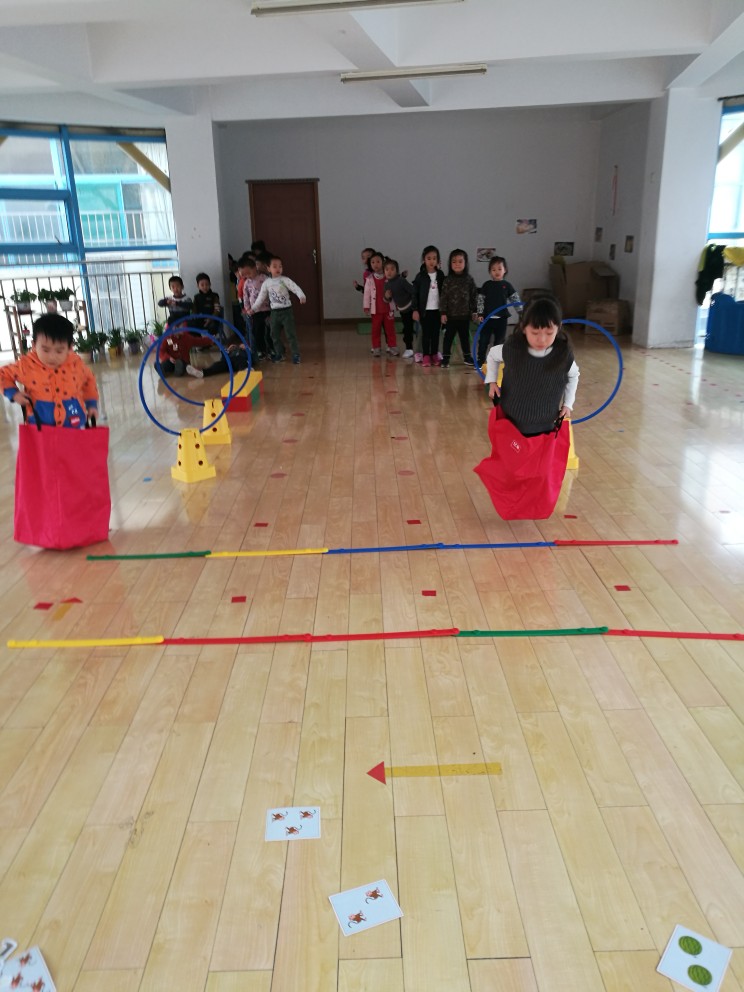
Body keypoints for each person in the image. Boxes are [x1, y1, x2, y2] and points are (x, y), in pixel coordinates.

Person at [473, 295, 579, 520]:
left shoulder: (563, 354)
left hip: (545, 424)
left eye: (549, 333)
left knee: (540, 471)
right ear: (523, 328)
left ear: (558, 329)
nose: (542, 339)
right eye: (535, 332)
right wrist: (491, 381)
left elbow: (574, 375)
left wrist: (568, 404)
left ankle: (531, 506)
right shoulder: (512, 348)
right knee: (512, 468)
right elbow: (492, 355)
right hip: (512, 422)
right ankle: (512, 500)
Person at [0, 312, 98, 427]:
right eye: (45, 350)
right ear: (34, 345)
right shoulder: (26, 365)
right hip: (39, 425)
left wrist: (92, 404)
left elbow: (89, 380)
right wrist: (14, 394)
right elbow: (2, 374)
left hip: (73, 422)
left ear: (70, 348)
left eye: (59, 351)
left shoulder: (76, 364)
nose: (52, 357)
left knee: (73, 440)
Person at [249, 256, 306, 364]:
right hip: (274, 312)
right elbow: (261, 297)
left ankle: (296, 354)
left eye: (280, 266)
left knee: (290, 334)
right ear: (268, 268)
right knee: (273, 334)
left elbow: (295, 287)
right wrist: (254, 308)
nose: (278, 268)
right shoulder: (267, 283)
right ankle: (279, 354)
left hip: (286, 311)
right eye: (274, 266)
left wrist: (301, 296)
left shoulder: (285, 280)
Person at [476, 256, 521, 366]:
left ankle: (495, 362)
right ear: (490, 271)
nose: (496, 272)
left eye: (499, 269)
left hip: (501, 319)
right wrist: (480, 313)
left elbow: (515, 299)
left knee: (499, 342)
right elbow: (481, 300)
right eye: (493, 269)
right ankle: (480, 360)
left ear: (505, 270)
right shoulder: (487, 285)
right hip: (486, 319)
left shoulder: (507, 285)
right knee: (483, 341)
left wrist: (521, 312)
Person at [440, 248, 477, 369]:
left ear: (465, 263)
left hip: (465, 316)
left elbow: (474, 296)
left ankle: (467, 357)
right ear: (450, 264)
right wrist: (443, 313)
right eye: (454, 261)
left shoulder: (469, 279)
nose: (457, 264)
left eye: (460, 261)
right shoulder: (448, 280)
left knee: (465, 338)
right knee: (448, 338)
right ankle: (446, 358)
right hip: (450, 316)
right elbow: (443, 297)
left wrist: (475, 311)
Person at [411, 245, 444, 367]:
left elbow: (445, 293)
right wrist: (415, 310)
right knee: (426, 334)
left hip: (437, 311)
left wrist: (444, 311)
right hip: (424, 311)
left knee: (436, 334)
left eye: (434, 258)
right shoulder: (420, 276)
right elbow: (414, 294)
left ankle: (434, 354)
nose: (431, 261)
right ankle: (425, 355)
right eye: (429, 258)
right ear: (424, 260)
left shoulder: (440, 275)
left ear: (438, 260)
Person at [363, 251, 399, 357]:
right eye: (373, 262)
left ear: (383, 262)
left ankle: (392, 347)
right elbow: (366, 294)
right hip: (376, 311)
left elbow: (396, 291)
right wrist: (366, 306)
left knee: (390, 329)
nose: (376, 264)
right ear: (370, 264)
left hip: (388, 309)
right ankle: (376, 347)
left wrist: (398, 303)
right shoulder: (369, 279)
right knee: (376, 329)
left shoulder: (389, 277)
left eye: (378, 261)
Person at [241, 255, 272, 362]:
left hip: (267, 310)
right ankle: (261, 351)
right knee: (257, 332)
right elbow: (245, 296)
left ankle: (272, 350)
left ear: (255, 268)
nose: (247, 276)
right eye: (244, 275)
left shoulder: (265, 279)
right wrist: (247, 309)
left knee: (269, 331)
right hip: (255, 312)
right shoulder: (246, 283)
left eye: (249, 273)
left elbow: (272, 292)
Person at [383, 258, 415, 358]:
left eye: (392, 269)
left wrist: (416, 306)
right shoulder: (386, 285)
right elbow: (387, 300)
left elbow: (413, 291)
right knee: (407, 328)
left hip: (412, 307)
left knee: (409, 329)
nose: (389, 271)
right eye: (387, 269)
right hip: (403, 310)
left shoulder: (401, 281)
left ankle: (410, 349)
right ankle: (410, 348)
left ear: (396, 271)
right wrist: (387, 297)